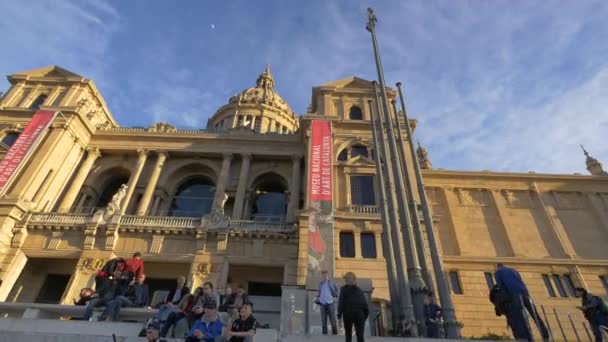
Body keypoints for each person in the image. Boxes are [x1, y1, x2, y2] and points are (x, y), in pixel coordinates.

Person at [494, 263, 548, 341]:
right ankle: (545, 335)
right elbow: (520, 281)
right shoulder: (514, 270)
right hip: (525, 294)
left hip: (514, 295)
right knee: (535, 314)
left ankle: (524, 338)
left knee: (518, 317)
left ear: (497, 267)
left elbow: (501, 285)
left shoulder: (498, 272)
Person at [337, 272, 368, 342]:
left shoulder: (343, 289)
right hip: (359, 315)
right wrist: (364, 317)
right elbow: (365, 305)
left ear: (346, 280)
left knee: (348, 336)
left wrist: (339, 316)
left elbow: (341, 303)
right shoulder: (359, 290)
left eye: (345, 279)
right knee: (360, 336)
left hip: (348, 314)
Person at [316, 270, 339, 335]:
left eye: (325, 275)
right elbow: (319, 293)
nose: (324, 276)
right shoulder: (320, 284)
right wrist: (318, 297)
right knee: (323, 319)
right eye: (323, 275)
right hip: (322, 303)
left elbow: (337, 290)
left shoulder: (331, 283)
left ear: (327, 276)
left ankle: (335, 334)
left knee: (332, 318)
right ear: (322, 276)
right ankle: (324, 335)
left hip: (330, 302)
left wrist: (335, 297)